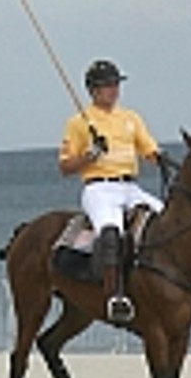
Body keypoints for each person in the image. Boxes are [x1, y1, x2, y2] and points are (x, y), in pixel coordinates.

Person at [58, 59, 165, 322]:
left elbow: (149, 149)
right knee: (111, 231)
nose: (114, 89)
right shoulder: (79, 122)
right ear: (94, 90)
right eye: (108, 85)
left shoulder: (130, 118)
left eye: (116, 84)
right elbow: (65, 167)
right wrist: (90, 155)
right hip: (99, 189)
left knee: (168, 220)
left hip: (129, 186)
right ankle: (115, 295)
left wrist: (163, 160)